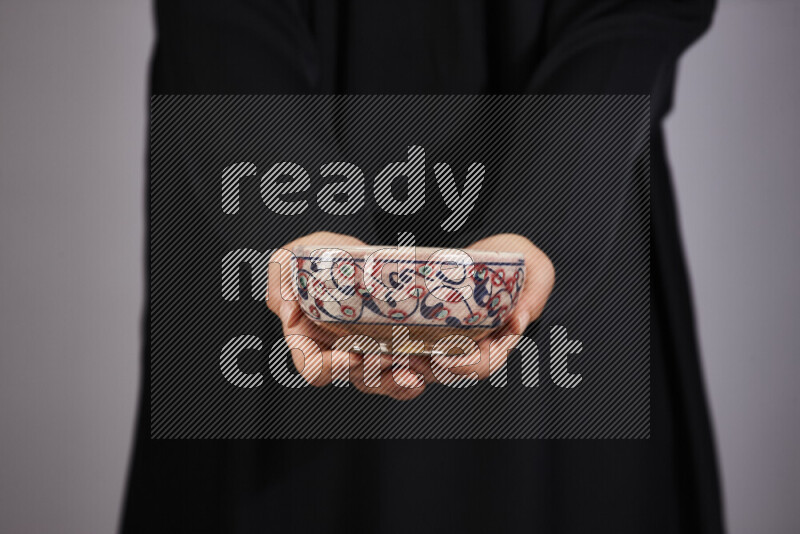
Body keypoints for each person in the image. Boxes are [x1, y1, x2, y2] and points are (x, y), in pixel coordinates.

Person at [123, 1, 724, 532]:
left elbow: (636, 10)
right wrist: (292, 223)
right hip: (269, 226)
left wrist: (547, 218)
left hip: (578, 191)